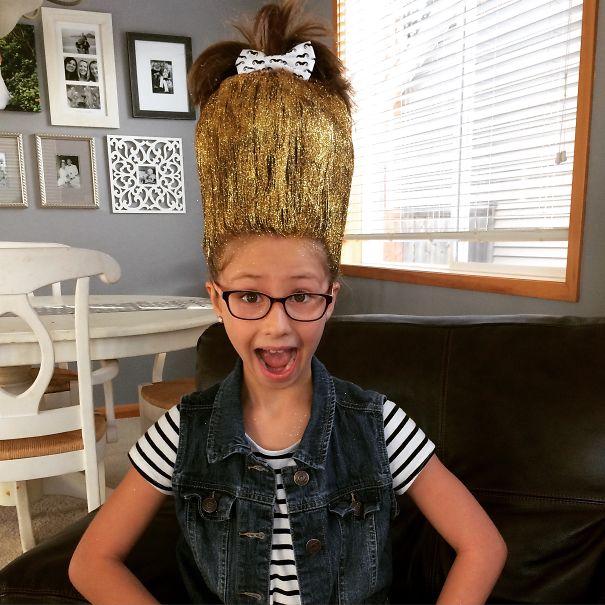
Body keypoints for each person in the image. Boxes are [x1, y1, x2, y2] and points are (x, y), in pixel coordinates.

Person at [69, 2, 507, 603]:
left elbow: (483, 546)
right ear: (217, 301)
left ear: (331, 299)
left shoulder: (379, 427)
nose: (278, 328)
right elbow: (91, 562)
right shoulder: (180, 434)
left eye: (301, 296)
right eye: (250, 296)